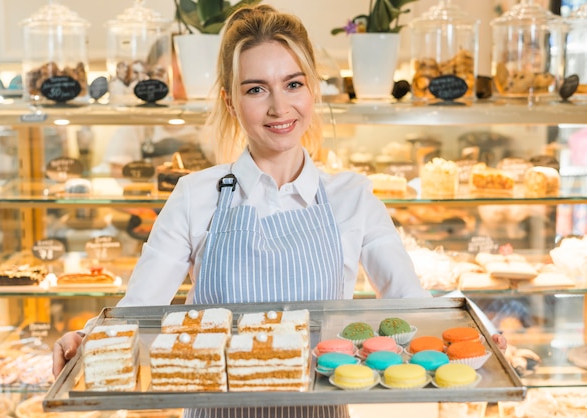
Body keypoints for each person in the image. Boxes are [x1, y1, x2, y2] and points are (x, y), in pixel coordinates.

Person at [53, 5, 506, 417]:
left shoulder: (352, 196)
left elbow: (411, 304)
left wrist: (474, 337)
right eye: (256, 89)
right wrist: (88, 338)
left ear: (311, 88)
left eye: (293, 84)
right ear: (231, 101)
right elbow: (139, 309)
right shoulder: (196, 194)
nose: (279, 107)